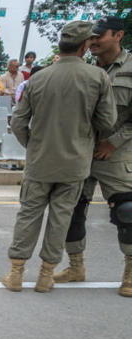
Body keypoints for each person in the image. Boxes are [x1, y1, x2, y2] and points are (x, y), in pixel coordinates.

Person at [1, 21, 117, 293]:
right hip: (75, 162)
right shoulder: (98, 77)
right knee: (61, 218)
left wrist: (34, 146)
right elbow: (108, 121)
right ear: (84, 44)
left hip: (40, 160)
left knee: (28, 215)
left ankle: (16, 274)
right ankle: (45, 276)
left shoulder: (37, 79)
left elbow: (18, 123)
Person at [51, 16, 132, 297]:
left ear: (118, 35)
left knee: (127, 211)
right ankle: (75, 266)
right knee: (71, 209)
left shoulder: (131, 69)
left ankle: (130, 273)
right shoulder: (81, 69)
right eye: (91, 37)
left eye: (100, 35)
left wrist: (114, 141)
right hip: (80, 152)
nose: (94, 40)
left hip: (116, 154)